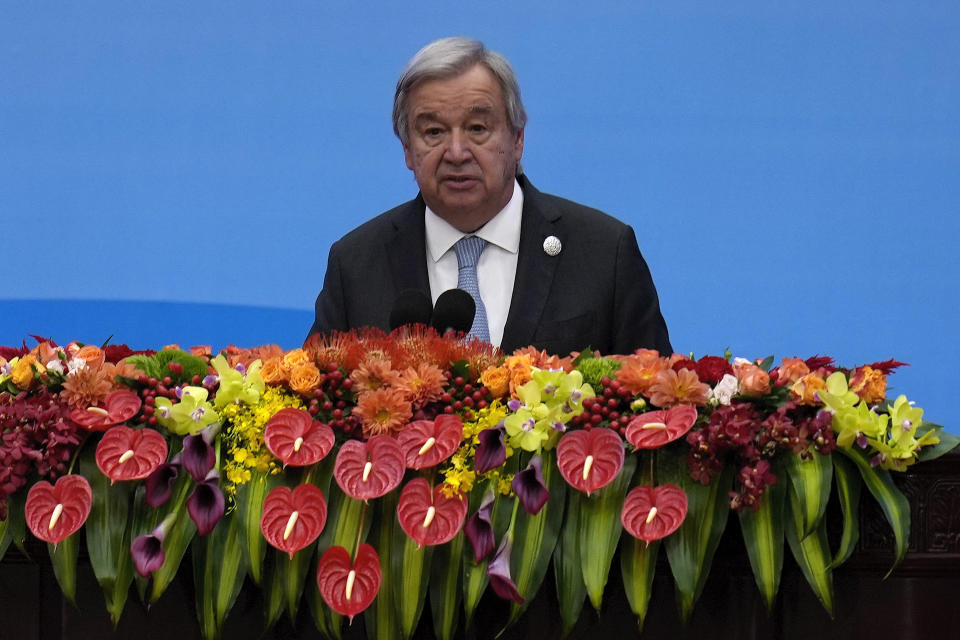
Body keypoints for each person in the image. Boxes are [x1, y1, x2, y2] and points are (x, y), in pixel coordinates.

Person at [308, 37, 671, 357]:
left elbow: (658, 406)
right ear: (407, 149)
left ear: (517, 139)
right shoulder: (356, 265)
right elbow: (317, 412)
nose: (456, 152)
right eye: (433, 131)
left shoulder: (605, 252)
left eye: (478, 128)